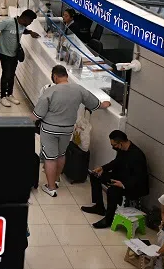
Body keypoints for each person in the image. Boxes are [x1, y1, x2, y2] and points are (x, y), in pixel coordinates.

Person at [35, 65, 113, 198]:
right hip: (67, 129)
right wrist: (104, 104)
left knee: (50, 157)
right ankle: (56, 179)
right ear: (66, 75)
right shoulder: (78, 89)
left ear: (54, 76)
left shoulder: (50, 91)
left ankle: (51, 187)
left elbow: (38, 113)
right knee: (61, 155)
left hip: (49, 128)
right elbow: (94, 103)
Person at [81, 129, 148, 226]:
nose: (113, 147)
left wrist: (123, 185)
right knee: (95, 176)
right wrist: (102, 168)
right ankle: (99, 207)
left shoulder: (137, 156)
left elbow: (139, 178)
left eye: (114, 145)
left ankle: (109, 219)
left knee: (112, 191)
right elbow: (116, 162)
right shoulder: (122, 150)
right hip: (121, 177)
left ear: (121, 143)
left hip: (132, 185)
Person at [0, 10, 39, 107]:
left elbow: (22, 31)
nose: (30, 23)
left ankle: (9, 94)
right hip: (5, 52)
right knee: (6, 74)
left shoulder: (23, 26)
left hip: (14, 54)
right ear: (25, 18)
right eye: (30, 21)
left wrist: (30, 32)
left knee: (12, 74)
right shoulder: (8, 22)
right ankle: (2, 97)